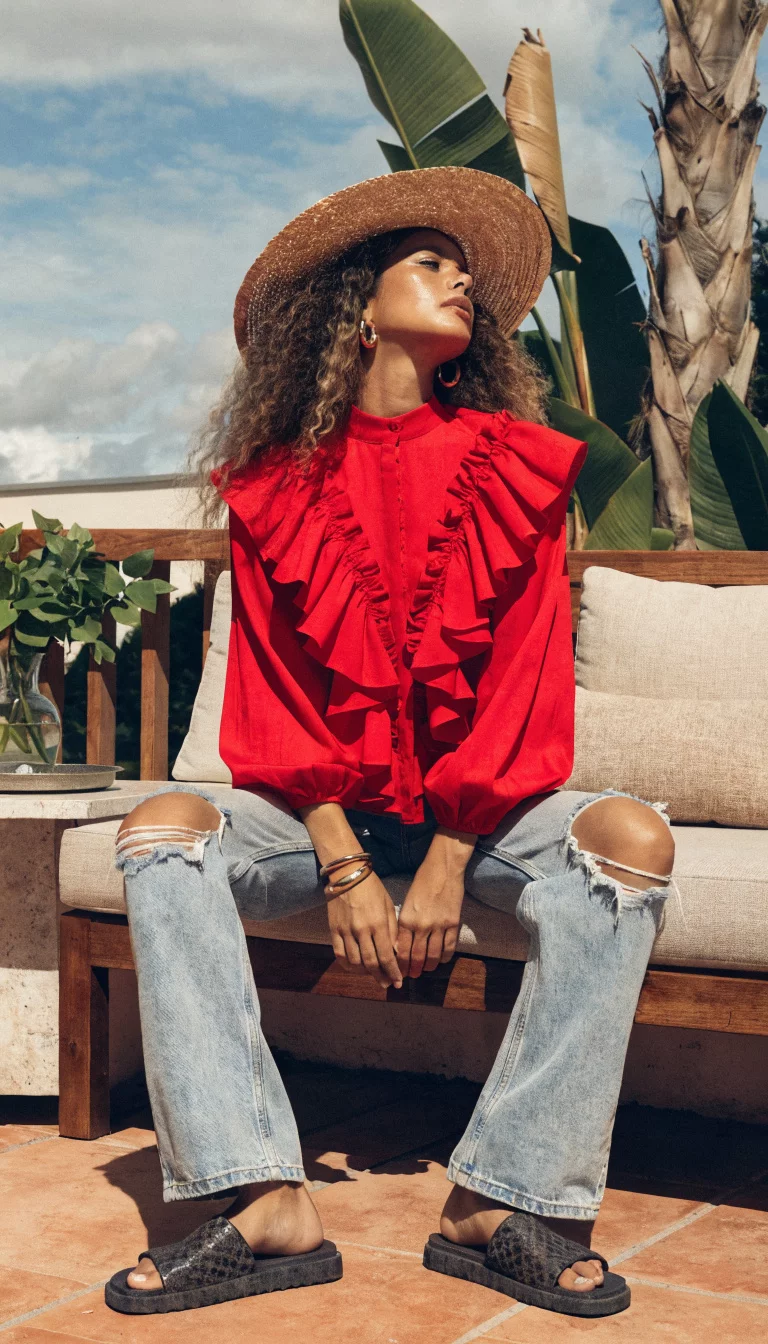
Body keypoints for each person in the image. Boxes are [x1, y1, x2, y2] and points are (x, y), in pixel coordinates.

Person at [105, 166, 677, 1320]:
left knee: (631, 839)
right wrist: (345, 859)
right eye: (431, 262)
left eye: (465, 271)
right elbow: (269, 698)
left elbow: (523, 689)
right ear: (357, 308)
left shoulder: (517, 462)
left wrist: (453, 857)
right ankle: (262, 1196)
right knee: (161, 833)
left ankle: (500, 1199)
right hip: (322, 813)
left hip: (483, 815)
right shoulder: (274, 487)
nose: (461, 278)